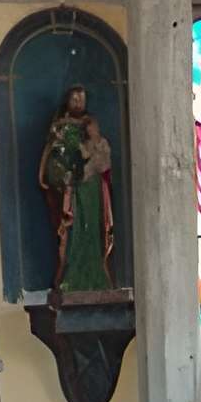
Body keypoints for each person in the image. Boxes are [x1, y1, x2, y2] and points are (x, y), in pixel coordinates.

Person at [39, 85, 116, 297]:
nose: (78, 103)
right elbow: (53, 156)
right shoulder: (61, 128)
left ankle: (95, 273)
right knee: (73, 231)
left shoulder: (93, 133)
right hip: (72, 190)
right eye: (74, 99)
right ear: (67, 101)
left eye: (82, 99)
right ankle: (70, 274)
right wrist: (61, 174)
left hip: (92, 190)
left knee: (92, 229)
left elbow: (102, 162)